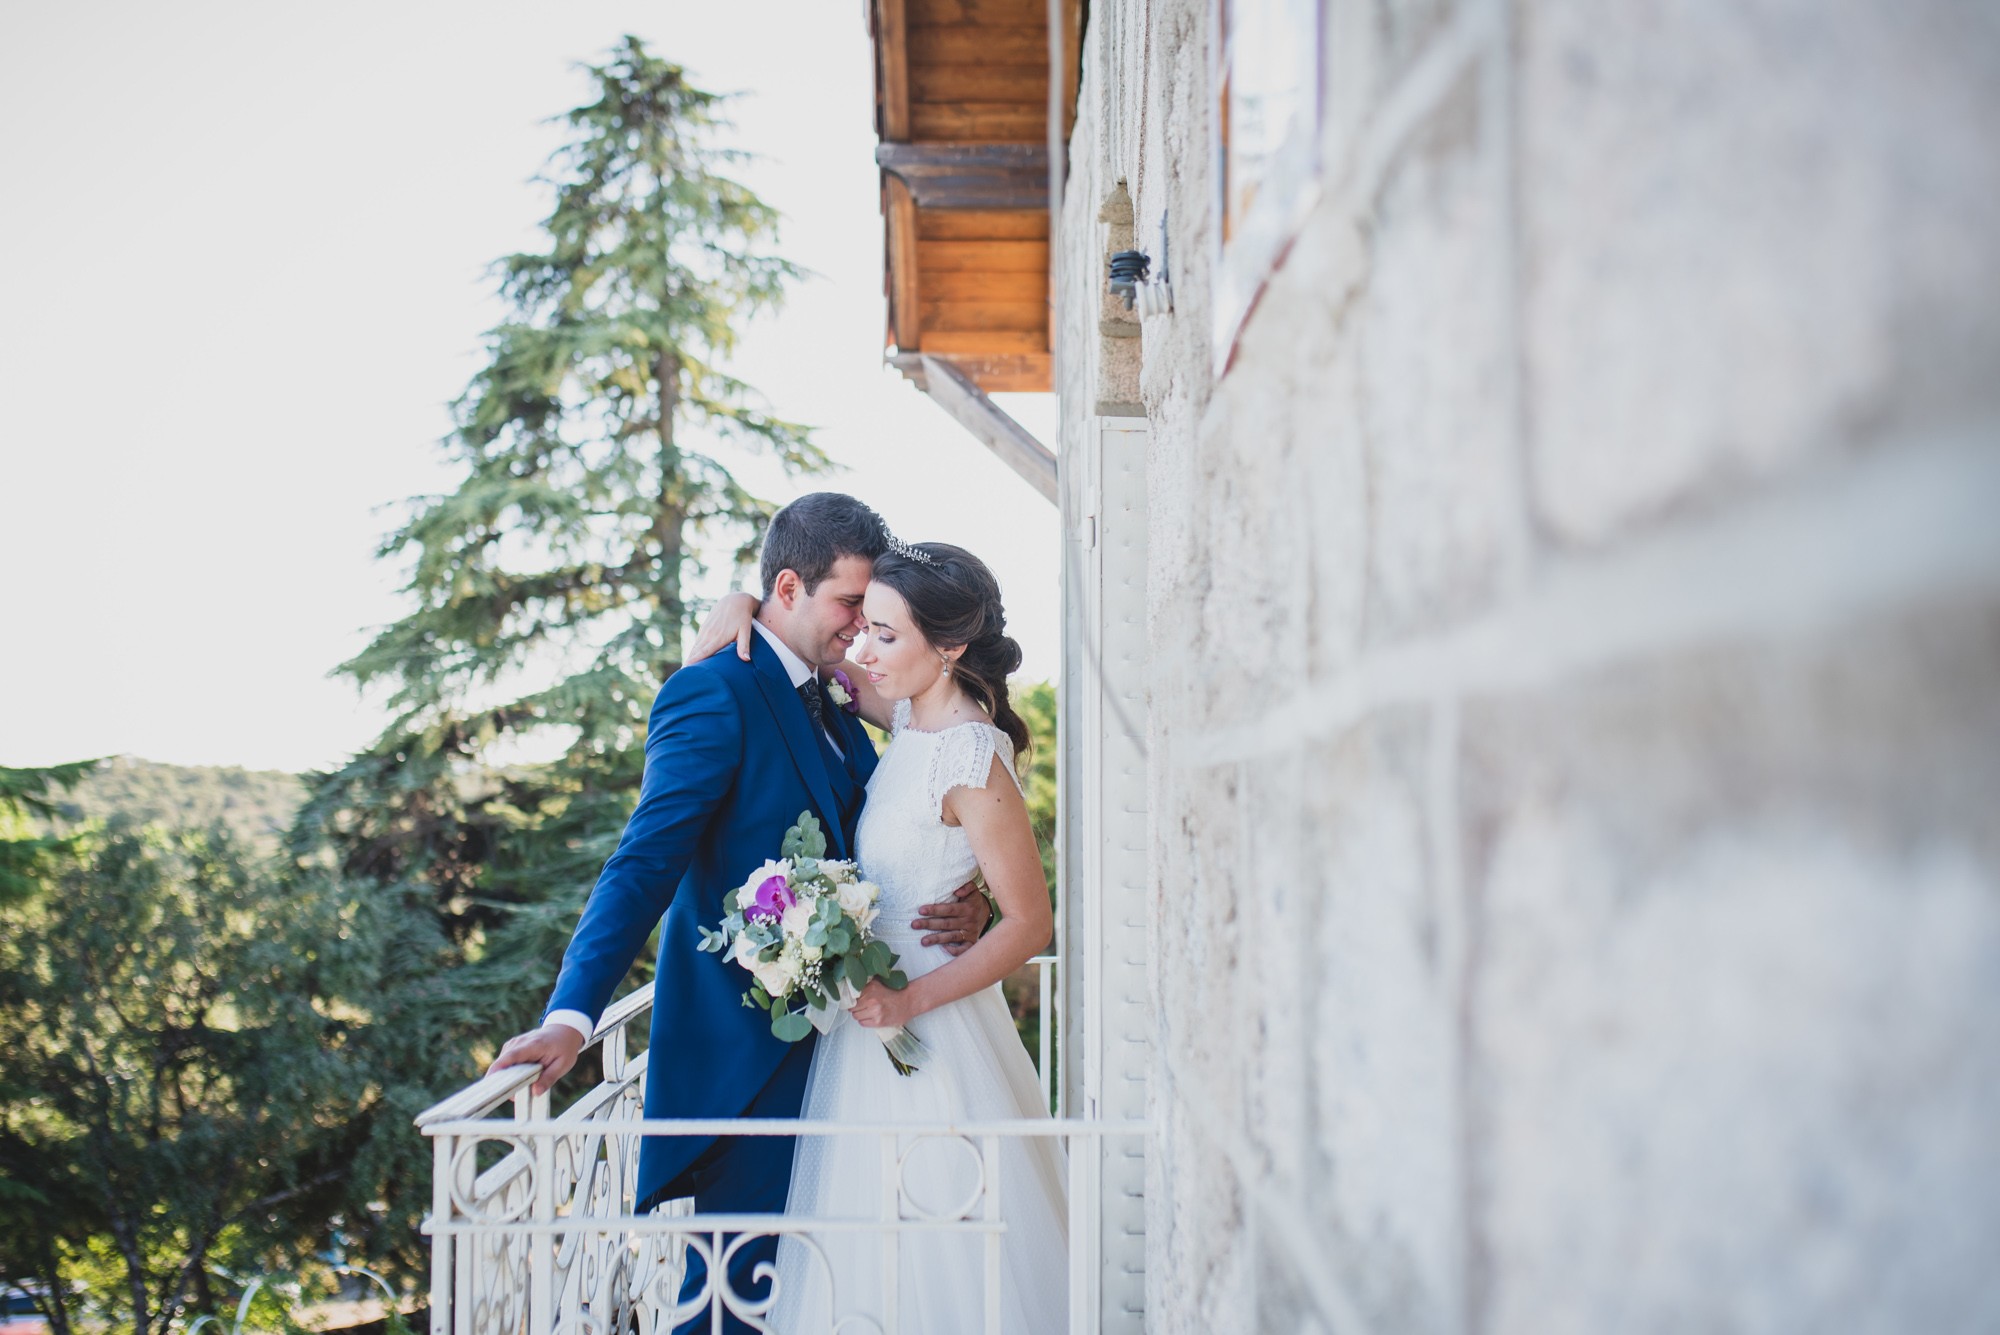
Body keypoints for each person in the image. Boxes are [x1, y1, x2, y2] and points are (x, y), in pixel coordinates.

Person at [486, 493, 991, 1335]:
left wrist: (961, 892)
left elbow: (896, 826)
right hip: (746, 1069)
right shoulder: (711, 692)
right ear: (787, 587)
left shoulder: (836, 696)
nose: (860, 628)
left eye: (871, 611)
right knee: (731, 1305)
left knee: (820, 1292)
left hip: (841, 1057)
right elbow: (643, 861)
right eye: (848, 605)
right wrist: (571, 1016)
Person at [686, 538, 1067, 1334]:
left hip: (928, 1024)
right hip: (866, 1028)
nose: (863, 649)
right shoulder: (903, 715)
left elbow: (1032, 920)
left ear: (951, 647)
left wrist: (910, 999)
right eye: (866, 627)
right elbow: (812, 655)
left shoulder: (969, 755)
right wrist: (743, 605)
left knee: (942, 1244)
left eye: (886, 635)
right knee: (860, 1252)